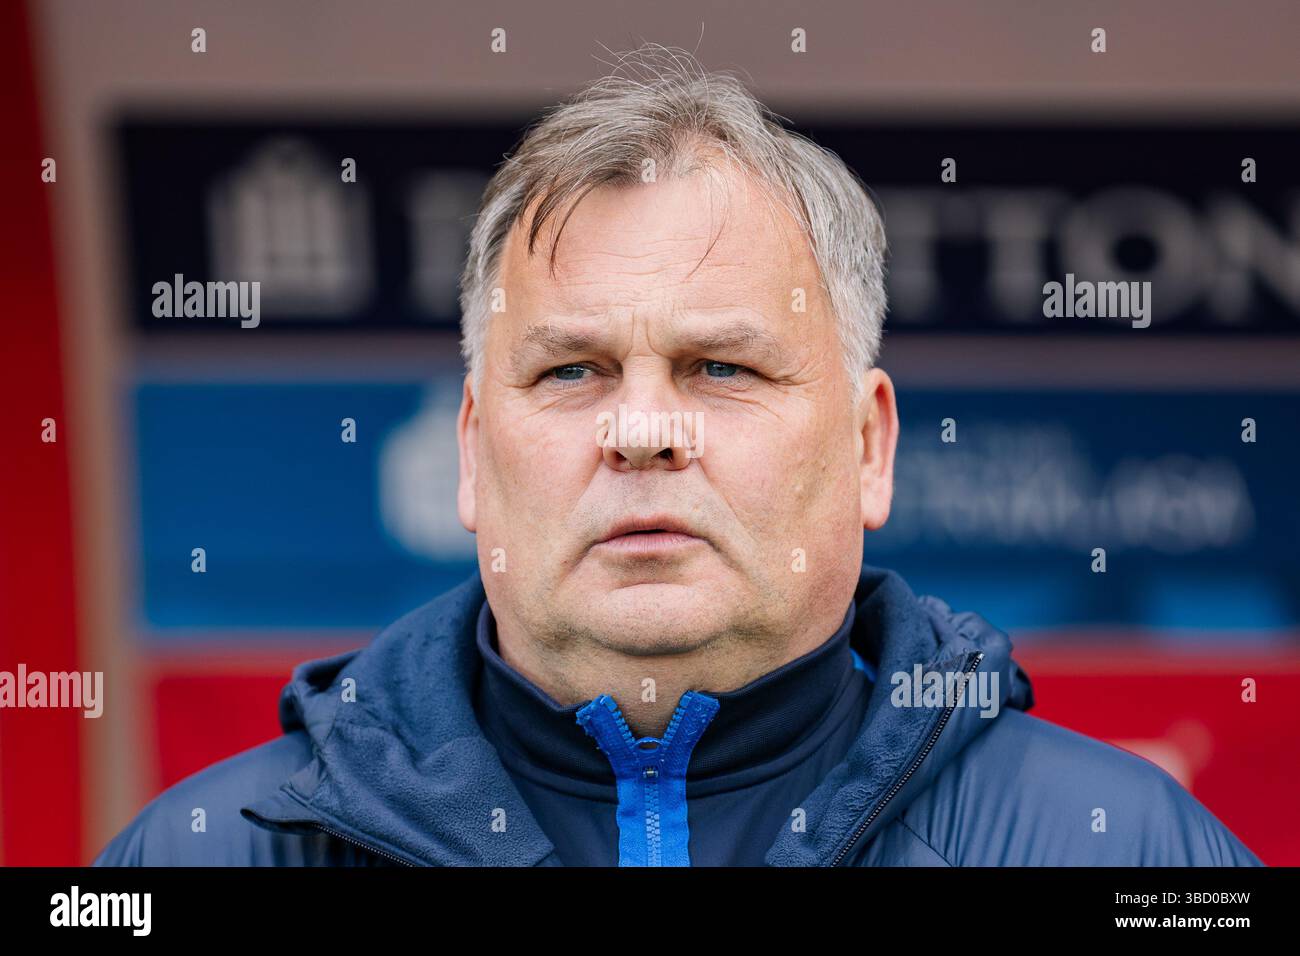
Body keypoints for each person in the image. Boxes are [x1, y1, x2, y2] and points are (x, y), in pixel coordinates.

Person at [95, 45, 1260, 867]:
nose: (643, 430)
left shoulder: (1131, 850)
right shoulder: (201, 856)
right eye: (569, 371)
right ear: (467, 451)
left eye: (722, 368)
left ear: (867, 444)